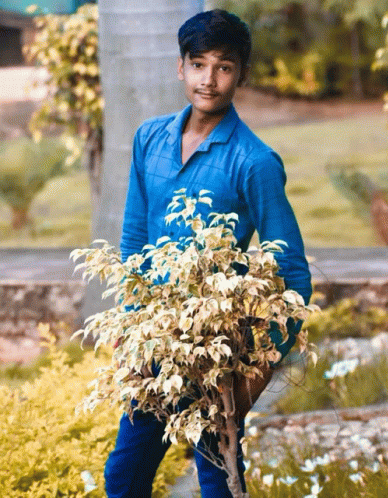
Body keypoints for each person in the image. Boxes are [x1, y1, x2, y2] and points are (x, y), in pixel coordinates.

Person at [104, 9, 312, 498]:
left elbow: (294, 277)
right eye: (198, 65)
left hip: (217, 357)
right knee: (123, 476)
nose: (209, 80)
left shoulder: (255, 162)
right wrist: (133, 329)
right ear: (181, 67)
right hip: (154, 348)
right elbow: (134, 239)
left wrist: (257, 371)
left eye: (224, 67)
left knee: (218, 481)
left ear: (241, 73)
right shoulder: (149, 139)